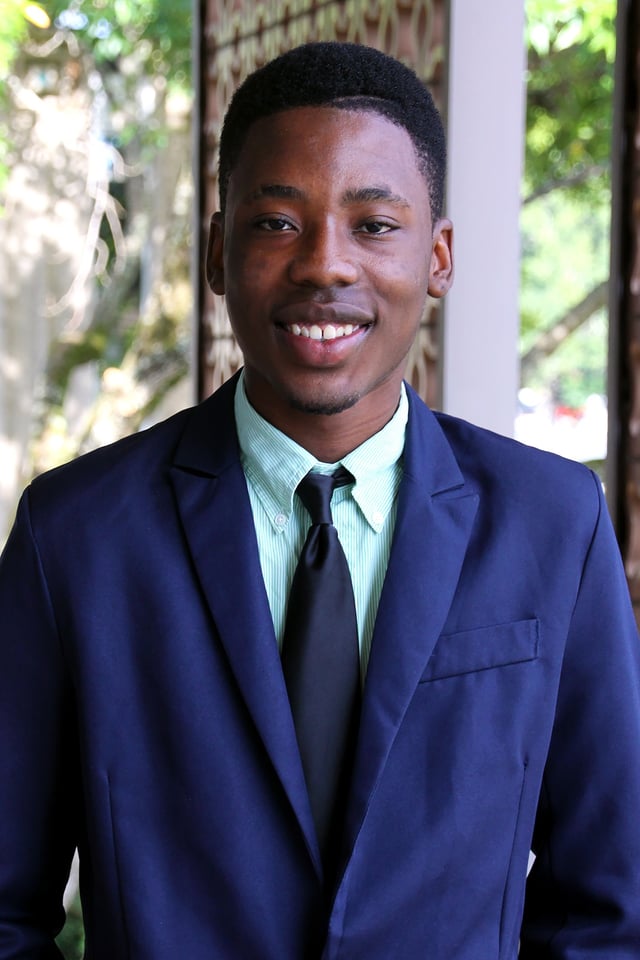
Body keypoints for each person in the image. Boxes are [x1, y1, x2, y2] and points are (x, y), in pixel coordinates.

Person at [1, 41, 639, 960]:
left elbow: (609, 909)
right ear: (217, 253)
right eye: (276, 223)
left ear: (439, 256)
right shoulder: (74, 536)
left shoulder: (553, 524)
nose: (324, 266)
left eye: (374, 224)